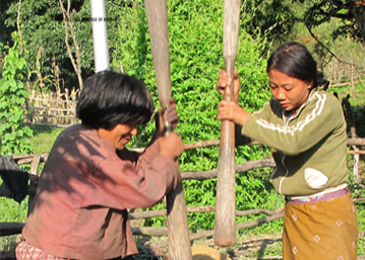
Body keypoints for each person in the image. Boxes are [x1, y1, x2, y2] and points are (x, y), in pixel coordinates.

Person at [16, 70, 184, 260]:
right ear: (109, 116)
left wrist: (159, 137)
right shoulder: (95, 157)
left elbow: (133, 170)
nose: (135, 132)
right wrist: (167, 157)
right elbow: (144, 190)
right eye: (130, 123)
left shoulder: (76, 136)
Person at [217, 42, 358, 259]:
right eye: (274, 87)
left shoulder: (325, 105)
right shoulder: (274, 109)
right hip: (296, 214)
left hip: (328, 214)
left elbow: (294, 141)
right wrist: (232, 99)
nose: (280, 95)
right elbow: (238, 137)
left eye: (288, 88)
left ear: (309, 82)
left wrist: (242, 116)